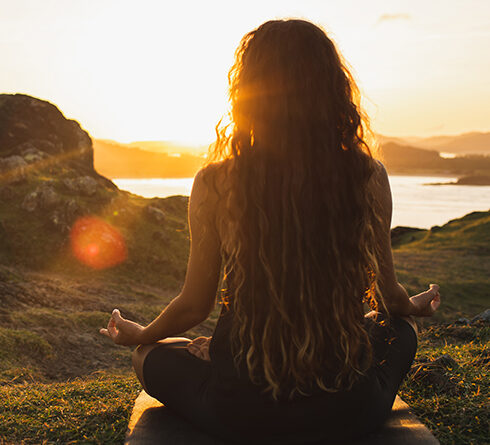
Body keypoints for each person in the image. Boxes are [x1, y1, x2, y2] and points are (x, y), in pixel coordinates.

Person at [100, 19, 441, 444]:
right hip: (348, 409)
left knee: (146, 357)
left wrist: (144, 334)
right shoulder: (367, 176)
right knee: (402, 329)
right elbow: (391, 300)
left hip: (240, 411)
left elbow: (193, 305)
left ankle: (227, 358)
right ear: (332, 89)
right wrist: (416, 305)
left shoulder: (217, 182)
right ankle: (229, 356)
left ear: (248, 94)